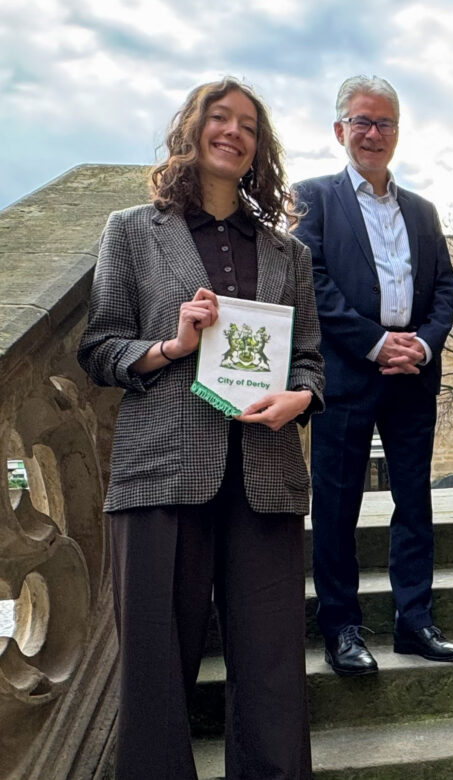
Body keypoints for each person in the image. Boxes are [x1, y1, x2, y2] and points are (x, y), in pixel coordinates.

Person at [77, 78, 323, 779]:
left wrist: (299, 400)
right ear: (192, 128)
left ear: (259, 148)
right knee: (156, 679)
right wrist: (171, 347)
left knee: (274, 677)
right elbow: (99, 347)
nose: (234, 132)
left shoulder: (288, 255)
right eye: (220, 118)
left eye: (248, 124)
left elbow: (310, 362)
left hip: (266, 475)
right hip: (161, 473)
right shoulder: (131, 231)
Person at [292, 75, 453, 676]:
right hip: (348, 373)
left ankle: (415, 621)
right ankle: (341, 627)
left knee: (414, 501)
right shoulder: (311, 197)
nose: (372, 133)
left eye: (383, 123)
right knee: (336, 504)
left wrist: (423, 342)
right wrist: (373, 343)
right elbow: (311, 282)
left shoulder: (423, 210)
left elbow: (445, 286)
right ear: (340, 130)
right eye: (361, 122)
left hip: (413, 375)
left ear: (397, 133)